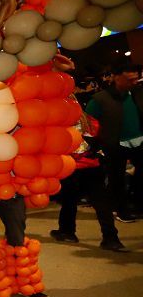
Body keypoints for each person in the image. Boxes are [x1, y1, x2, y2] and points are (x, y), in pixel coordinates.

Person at [50, 113, 127, 252]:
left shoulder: (60, 119)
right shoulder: (90, 121)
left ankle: (67, 232)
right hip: (93, 166)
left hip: (72, 166)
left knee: (69, 200)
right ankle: (111, 238)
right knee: (101, 204)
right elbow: (100, 138)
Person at [86, 62, 143, 221]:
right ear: (116, 77)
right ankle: (120, 210)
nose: (133, 83)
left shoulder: (137, 92)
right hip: (114, 144)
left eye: (136, 79)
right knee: (116, 179)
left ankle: (137, 204)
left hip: (139, 140)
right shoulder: (100, 99)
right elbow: (88, 123)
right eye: (129, 79)